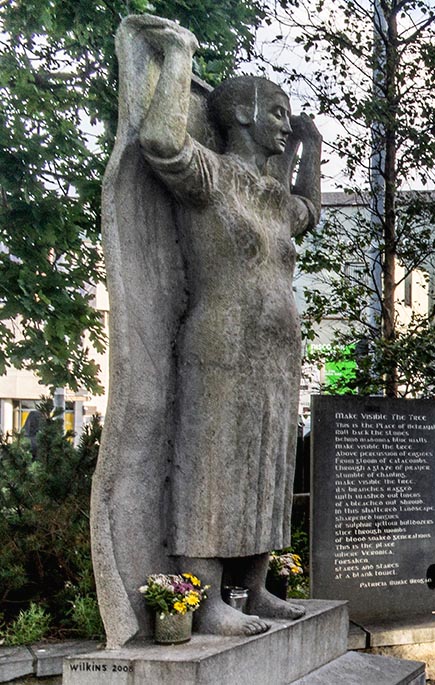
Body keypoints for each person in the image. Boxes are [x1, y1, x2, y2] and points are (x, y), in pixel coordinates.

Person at [135, 16, 322, 636]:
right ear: (240, 112)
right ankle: (203, 600)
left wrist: (309, 149)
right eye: (277, 112)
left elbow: (308, 212)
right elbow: (161, 141)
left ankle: (256, 586)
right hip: (221, 342)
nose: (282, 124)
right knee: (213, 465)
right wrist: (181, 55)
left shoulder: (269, 195)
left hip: (276, 353)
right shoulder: (212, 176)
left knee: (267, 467)